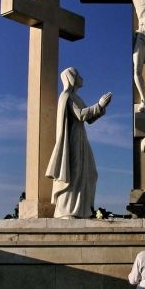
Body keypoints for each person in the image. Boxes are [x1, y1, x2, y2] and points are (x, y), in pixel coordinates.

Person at [45, 67, 112, 219]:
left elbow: (89, 118)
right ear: (71, 78)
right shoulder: (67, 96)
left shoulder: (76, 97)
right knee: (74, 172)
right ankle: (67, 210)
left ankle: (81, 209)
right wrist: (99, 105)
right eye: (78, 75)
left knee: (90, 173)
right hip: (72, 140)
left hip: (81, 138)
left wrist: (101, 108)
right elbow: (81, 115)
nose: (81, 78)